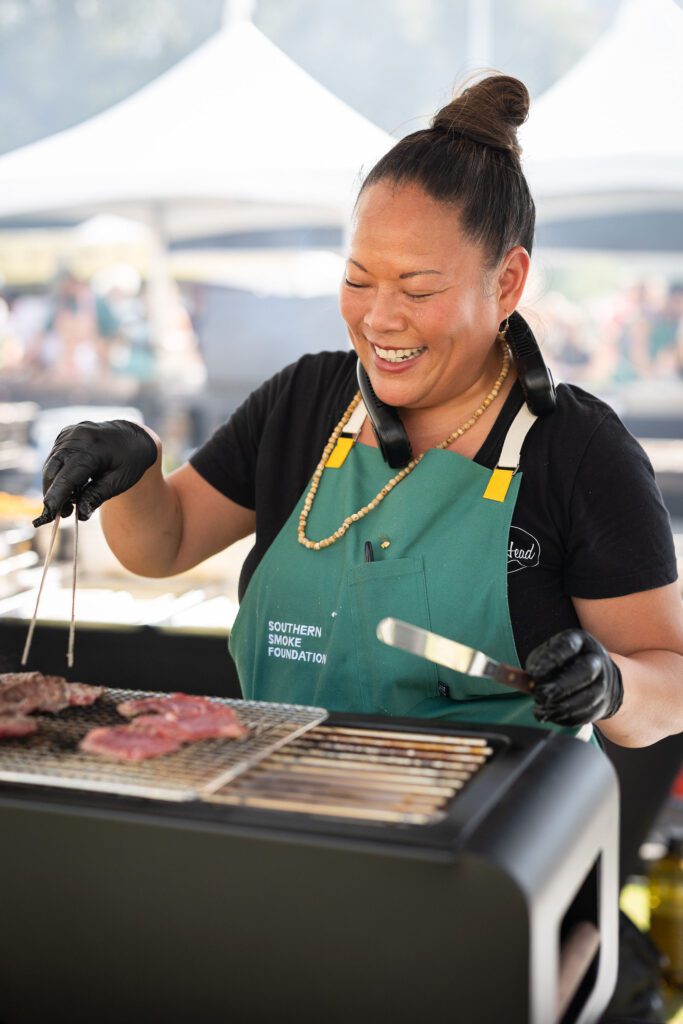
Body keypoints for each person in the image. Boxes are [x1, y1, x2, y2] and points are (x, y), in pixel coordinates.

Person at [34, 74, 683, 749]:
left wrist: (611, 683)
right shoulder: (303, 401)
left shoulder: (577, 452)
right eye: (357, 278)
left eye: (417, 286)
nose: (378, 318)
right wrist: (135, 468)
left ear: (507, 281)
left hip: (479, 836)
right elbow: (162, 547)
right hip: (279, 808)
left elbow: (670, 684)